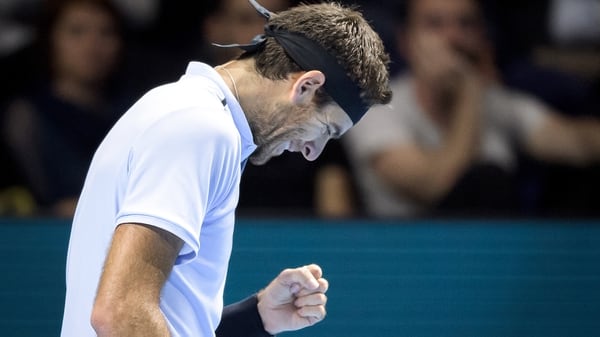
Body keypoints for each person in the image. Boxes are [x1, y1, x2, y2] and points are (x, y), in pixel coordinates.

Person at [60, 1, 392, 336]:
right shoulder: (202, 126)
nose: (312, 151)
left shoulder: (186, 110)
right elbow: (120, 313)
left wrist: (256, 317)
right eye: (326, 129)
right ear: (305, 86)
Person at [343, 0, 600, 218]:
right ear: (407, 41)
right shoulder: (376, 109)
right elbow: (434, 186)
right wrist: (469, 90)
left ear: (482, 37)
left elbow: (575, 143)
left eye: (466, 25)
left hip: (496, 257)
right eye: (435, 25)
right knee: (487, 180)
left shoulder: (497, 103)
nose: (453, 38)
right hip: (406, 260)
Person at [1, 0, 129, 217]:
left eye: (106, 32)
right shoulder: (25, 118)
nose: (92, 45)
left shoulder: (135, 113)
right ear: (50, 40)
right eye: (76, 32)